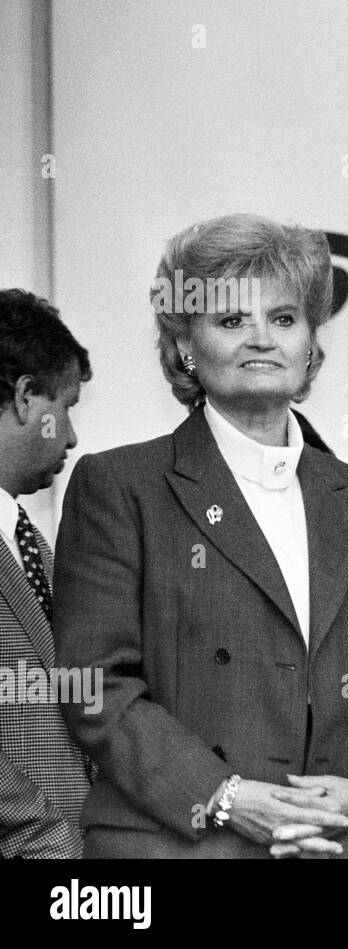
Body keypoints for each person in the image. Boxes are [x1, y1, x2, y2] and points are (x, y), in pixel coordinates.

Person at [54, 214, 348, 858]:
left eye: (285, 319)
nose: (262, 339)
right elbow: (94, 684)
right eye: (232, 321)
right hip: (182, 847)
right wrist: (226, 795)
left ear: (312, 345)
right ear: (184, 346)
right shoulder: (121, 486)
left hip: (340, 846)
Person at [0, 289, 94, 858]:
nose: (73, 436)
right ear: (25, 396)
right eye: (67, 406)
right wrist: (58, 853)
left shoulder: (29, 542)